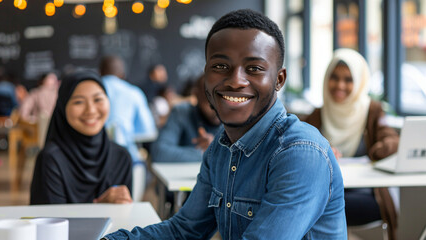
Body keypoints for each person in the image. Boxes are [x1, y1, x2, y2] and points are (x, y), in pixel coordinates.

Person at [102, 9, 346, 240]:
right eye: (220, 66)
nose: (236, 81)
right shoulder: (221, 147)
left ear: (279, 79)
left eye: (254, 69)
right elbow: (184, 231)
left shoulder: (300, 152)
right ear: (205, 74)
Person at [305, 48, 399, 232]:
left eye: (348, 79)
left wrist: (376, 152)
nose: (340, 85)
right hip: (326, 191)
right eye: (334, 77)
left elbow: (392, 141)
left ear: (359, 82)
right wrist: (321, 150)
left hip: (365, 194)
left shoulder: (372, 111)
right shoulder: (316, 116)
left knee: (318, 207)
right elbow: (296, 147)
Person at [30, 71, 133, 204]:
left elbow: (126, 217)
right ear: (63, 107)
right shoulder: (51, 160)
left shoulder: (121, 157)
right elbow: (50, 222)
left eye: (98, 99)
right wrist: (100, 206)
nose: (90, 110)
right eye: (78, 102)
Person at [100, 55, 157, 201]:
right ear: (122, 75)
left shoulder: (93, 89)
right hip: (128, 161)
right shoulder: (133, 92)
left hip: (91, 159)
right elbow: (148, 132)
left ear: (99, 72)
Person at [151, 74, 221, 163]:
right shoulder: (181, 112)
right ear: (196, 95)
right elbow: (159, 152)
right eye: (209, 98)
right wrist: (206, 153)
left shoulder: (236, 119)